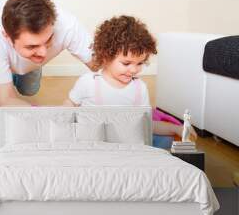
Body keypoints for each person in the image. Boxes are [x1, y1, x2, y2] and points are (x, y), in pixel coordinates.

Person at [64, 15, 197, 145]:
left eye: (139, 63)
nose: (134, 70)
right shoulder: (88, 82)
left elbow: (146, 125)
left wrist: (175, 129)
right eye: (126, 63)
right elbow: (67, 108)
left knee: (165, 143)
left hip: (126, 145)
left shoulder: (140, 88)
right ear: (105, 56)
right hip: (92, 143)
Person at [0, 0, 96, 113]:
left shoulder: (68, 26)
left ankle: (21, 67)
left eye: (48, 40)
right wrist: (51, 115)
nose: (44, 53)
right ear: (7, 37)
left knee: (30, 89)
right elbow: (5, 100)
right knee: (1, 109)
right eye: (32, 46)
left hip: (22, 59)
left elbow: (101, 66)